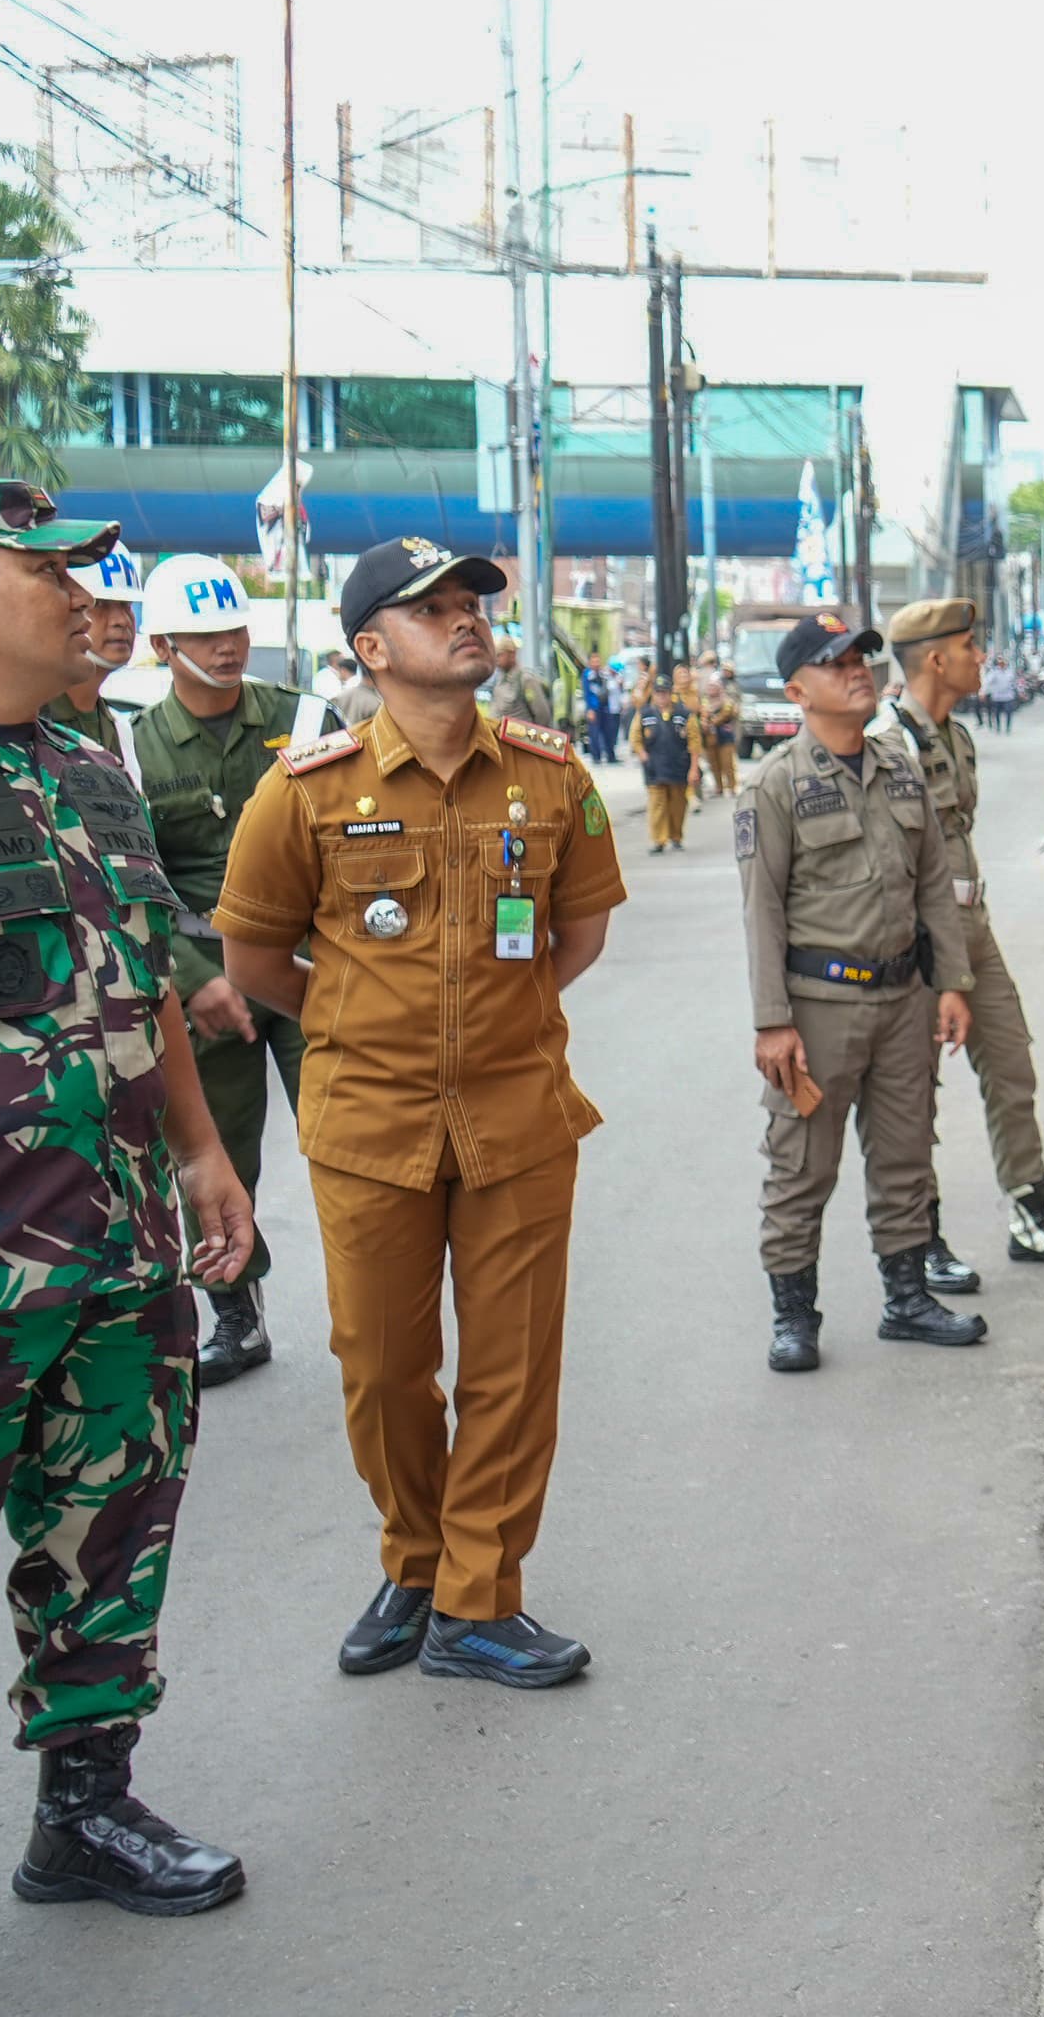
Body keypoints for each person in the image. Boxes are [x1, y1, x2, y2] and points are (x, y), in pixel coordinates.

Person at [0, 482, 260, 1989]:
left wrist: (205, 1151)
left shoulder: (89, 768)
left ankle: (83, 1815)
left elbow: (147, 979)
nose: (89, 593)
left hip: (119, 1248)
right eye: (48, 570)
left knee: (114, 1534)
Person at [215, 535, 625, 1692]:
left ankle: (476, 1599)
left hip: (520, 1113)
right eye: (428, 607)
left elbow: (578, 933)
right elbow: (253, 955)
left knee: (512, 1365)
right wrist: (355, 1016)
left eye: (470, 603)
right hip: (369, 1120)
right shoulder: (303, 793)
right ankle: (417, 1556)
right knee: (382, 1365)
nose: (463, 620)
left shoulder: (553, 778)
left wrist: (500, 1018)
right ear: (370, 648)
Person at [738, 612, 982, 1370]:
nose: (858, 670)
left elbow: (935, 886)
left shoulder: (900, 768)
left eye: (863, 658)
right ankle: (793, 1316)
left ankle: (906, 1299)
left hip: (906, 1000)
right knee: (801, 1164)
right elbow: (762, 913)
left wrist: (952, 982)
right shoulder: (773, 787)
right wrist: (772, 1023)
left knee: (907, 1155)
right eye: (836, 661)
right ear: (797, 689)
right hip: (819, 1008)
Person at [128, 552, 309, 1388]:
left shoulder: (307, 721)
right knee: (217, 1152)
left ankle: (384, 1289)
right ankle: (236, 1313)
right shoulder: (134, 752)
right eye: (205, 632)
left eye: (235, 627)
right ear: (164, 644)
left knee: (353, 1131)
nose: (228, 646)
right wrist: (196, 976)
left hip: (309, 966)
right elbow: (136, 883)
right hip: (207, 983)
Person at [879, 599, 1044, 1283]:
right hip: (918, 945)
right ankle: (925, 1240)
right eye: (971, 647)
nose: (983, 658)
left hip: (974, 931)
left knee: (1012, 1067)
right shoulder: (888, 745)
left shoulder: (955, 736)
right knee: (914, 1094)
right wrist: (938, 966)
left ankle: (1031, 1215)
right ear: (936, 659)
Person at [43, 540, 145, 760]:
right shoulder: (32, 719)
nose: (121, 620)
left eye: (126, 604)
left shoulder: (119, 728)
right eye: (100, 604)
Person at [636, 670, 696, 853]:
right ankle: (658, 840)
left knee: (678, 805)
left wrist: (694, 768)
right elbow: (635, 738)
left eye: (665, 692)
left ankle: (676, 837)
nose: (662, 696)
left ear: (671, 694)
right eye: (658, 693)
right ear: (654, 694)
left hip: (678, 766)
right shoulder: (645, 714)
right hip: (654, 768)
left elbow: (695, 741)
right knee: (657, 805)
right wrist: (642, 754)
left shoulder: (684, 714)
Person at [487, 635, 568, 733]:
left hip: (520, 742)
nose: (496, 660)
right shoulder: (498, 681)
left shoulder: (526, 680)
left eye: (499, 655)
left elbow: (542, 716)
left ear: (512, 655)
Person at [700, 661, 743, 800]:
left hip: (725, 735)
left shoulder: (726, 699)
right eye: (710, 687)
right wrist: (705, 722)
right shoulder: (705, 701)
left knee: (727, 763)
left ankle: (732, 787)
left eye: (714, 686)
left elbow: (728, 712)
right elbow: (702, 714)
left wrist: (712, 720)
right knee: (713, 763)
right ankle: (719, 787)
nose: (712, 689)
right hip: (711, 737)